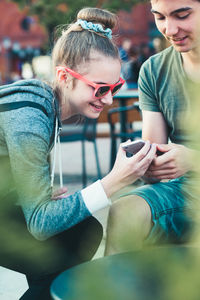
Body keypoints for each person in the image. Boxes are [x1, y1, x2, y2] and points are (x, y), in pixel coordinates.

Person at [0, 7, 157, 300]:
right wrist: (115, 180)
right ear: (64, 76)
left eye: (115, 87)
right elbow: (40, 224)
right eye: (100, 89)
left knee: (77, 235)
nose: (109, 99)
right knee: (70, 240)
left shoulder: (43, 105)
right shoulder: (30, 117)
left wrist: (35, 197)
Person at [105, 0, 200, 255]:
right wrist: (146, 162)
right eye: (160, 17)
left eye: (182, 15)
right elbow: (154, 153)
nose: (169, 29)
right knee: (123, 210)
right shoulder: (154, 70)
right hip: (184, 190)